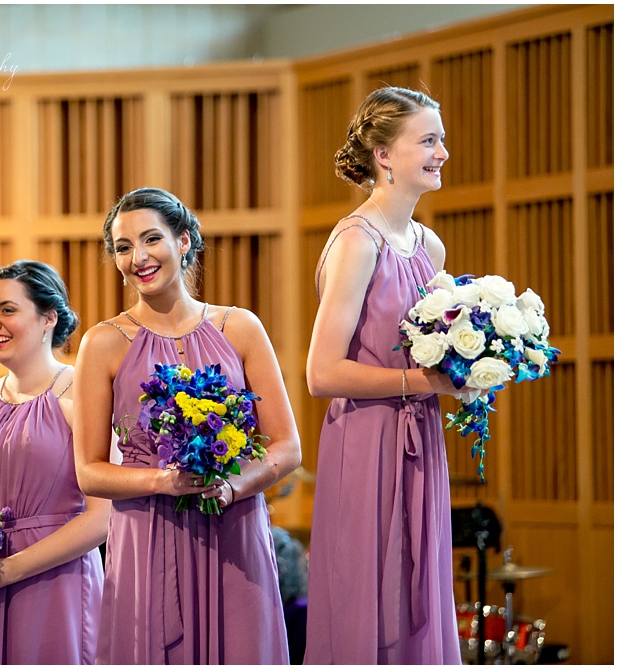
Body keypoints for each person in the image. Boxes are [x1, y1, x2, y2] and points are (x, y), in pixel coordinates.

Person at [73, 187, 301, 664]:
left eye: (151, 239)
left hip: (234, 530)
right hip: (146, 537)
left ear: (184, 240)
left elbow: (287, 446)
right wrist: (166, 482)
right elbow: (90, 471)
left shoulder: (240, 327)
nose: (138, 257)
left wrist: (232, 486)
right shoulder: (102, 343)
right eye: (122, 247)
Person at [304, 86, 463, 663]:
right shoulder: (356, 241)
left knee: (418, 592)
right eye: (428, 140)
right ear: (384, 155)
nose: (442, 151)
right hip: (365, 442)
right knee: (368, 597)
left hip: (421, 438)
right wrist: (425, 384)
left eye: (441, 139)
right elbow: (321, 372)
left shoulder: (431, 248)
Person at [0, 261, 107, 665]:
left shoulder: (81, 393)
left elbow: (104, 518)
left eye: (7, 309)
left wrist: (9, 570)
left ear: (49, 317)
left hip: (56, 585)